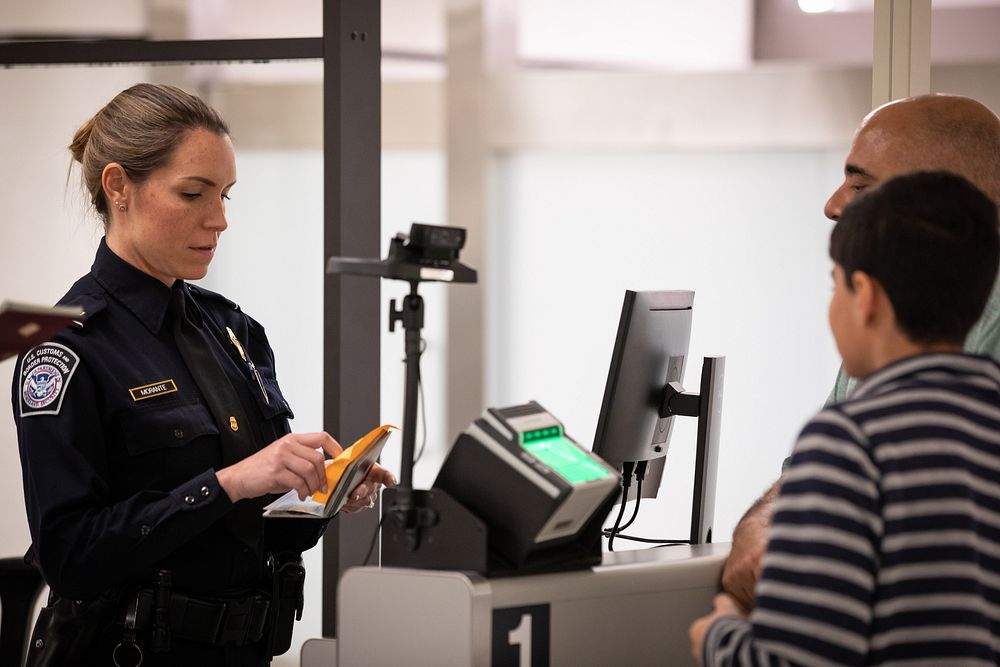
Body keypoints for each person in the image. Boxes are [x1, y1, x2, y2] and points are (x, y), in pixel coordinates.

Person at [11, 83, 395, 666]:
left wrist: (318, 494)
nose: (218, 220)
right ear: (119, 187)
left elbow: (248, 532)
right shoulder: (65, 348)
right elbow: (71, 557)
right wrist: (228, 483)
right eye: (193, 194)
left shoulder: (233, 331)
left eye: (225, 196)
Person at [691, 170, 1000, 665]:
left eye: (835, 286)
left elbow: (802, 660)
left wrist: (718, 633)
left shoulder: (851, 442)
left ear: (866, 296)